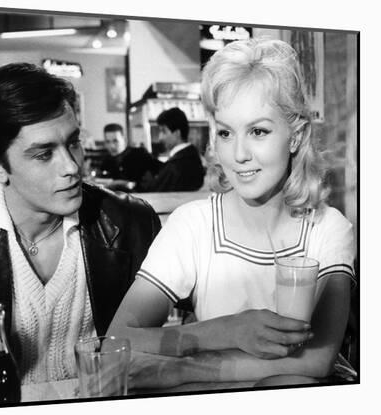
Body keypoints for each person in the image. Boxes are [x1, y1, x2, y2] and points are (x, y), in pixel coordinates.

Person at [0, 63, 161, 411]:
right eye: (44, 153)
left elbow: (169, 338)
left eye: (73, 143)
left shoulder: (128, 222)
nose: (71, 166)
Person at [107, 39, 356, 388]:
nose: (238, 154)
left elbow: (317, 359)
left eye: (258, 131)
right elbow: (118, 339)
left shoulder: (328, 228)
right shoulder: (193, 224)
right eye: (225, 132)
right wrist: (224, 330)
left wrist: (180, 368)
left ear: (296, 136)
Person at [138, 107, 205, 192]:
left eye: (164, 131)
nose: (160, 137)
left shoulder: (177, 166)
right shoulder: (189, 158)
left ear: (177, 133)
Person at [99, 123, 161, 191]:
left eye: (115, 141)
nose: (112, 146)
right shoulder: (106, 160)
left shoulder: (140, 154)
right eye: (108, 142)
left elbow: (161, 171)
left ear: (124, 139)